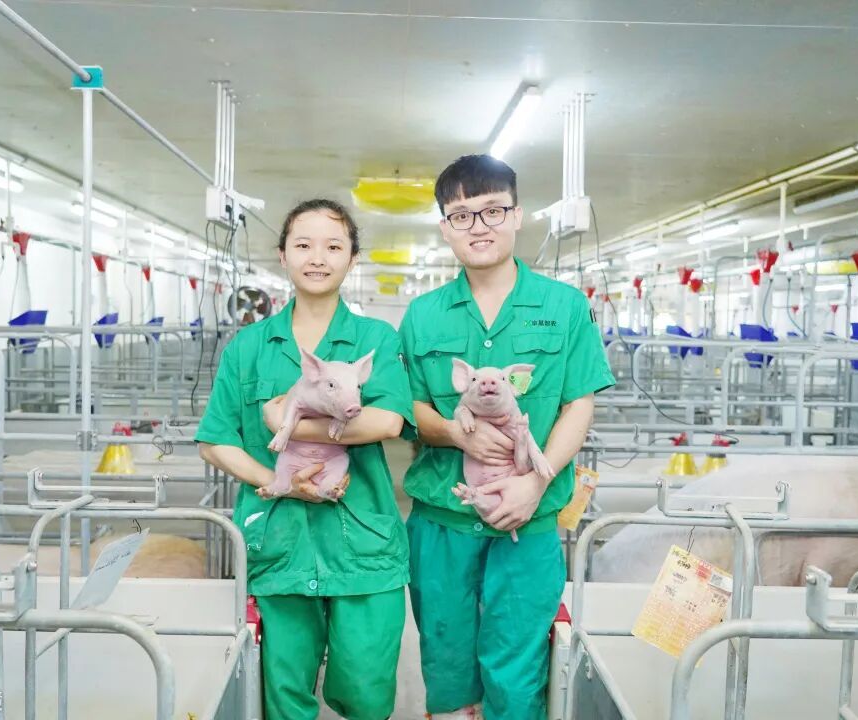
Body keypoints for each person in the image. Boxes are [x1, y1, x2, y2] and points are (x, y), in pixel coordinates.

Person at [398, 154, 616, 720]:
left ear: (518, 216)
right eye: (462, 215)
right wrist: (455, 433)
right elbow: (408, 409)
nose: (479, 226)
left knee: (517, 673)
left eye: (493, 210)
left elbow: (579, 404)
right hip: (442, 520)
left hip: (529, 519)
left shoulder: (564, 306)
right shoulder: (423, 315)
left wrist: (536, 485)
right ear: (445, 227)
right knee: (446, 665)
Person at [196, 198, 413, 720]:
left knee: (366, 694)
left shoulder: (375, 340)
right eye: (304, 245)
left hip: (364, 546)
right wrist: (279, 481)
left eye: (334, 246)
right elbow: (215, 440)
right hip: (277, 542)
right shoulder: (249, 347)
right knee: (283, 698)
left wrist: (285, 421)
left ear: (352, 258)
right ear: (283, 255)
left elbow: (387, 422)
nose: (318, 257)